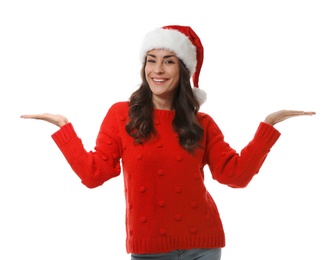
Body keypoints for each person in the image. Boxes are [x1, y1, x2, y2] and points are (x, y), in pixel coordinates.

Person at [21, 25, 315, 260]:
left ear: (183, 70)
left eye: (169, 61)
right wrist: (64, 129)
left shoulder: (202, 123)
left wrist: (268, 127)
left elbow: (235, 175)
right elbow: (93, 173)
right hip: (149, 250)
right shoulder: (121, 115)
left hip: (203, 245)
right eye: (152, 60)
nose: (158, 70)